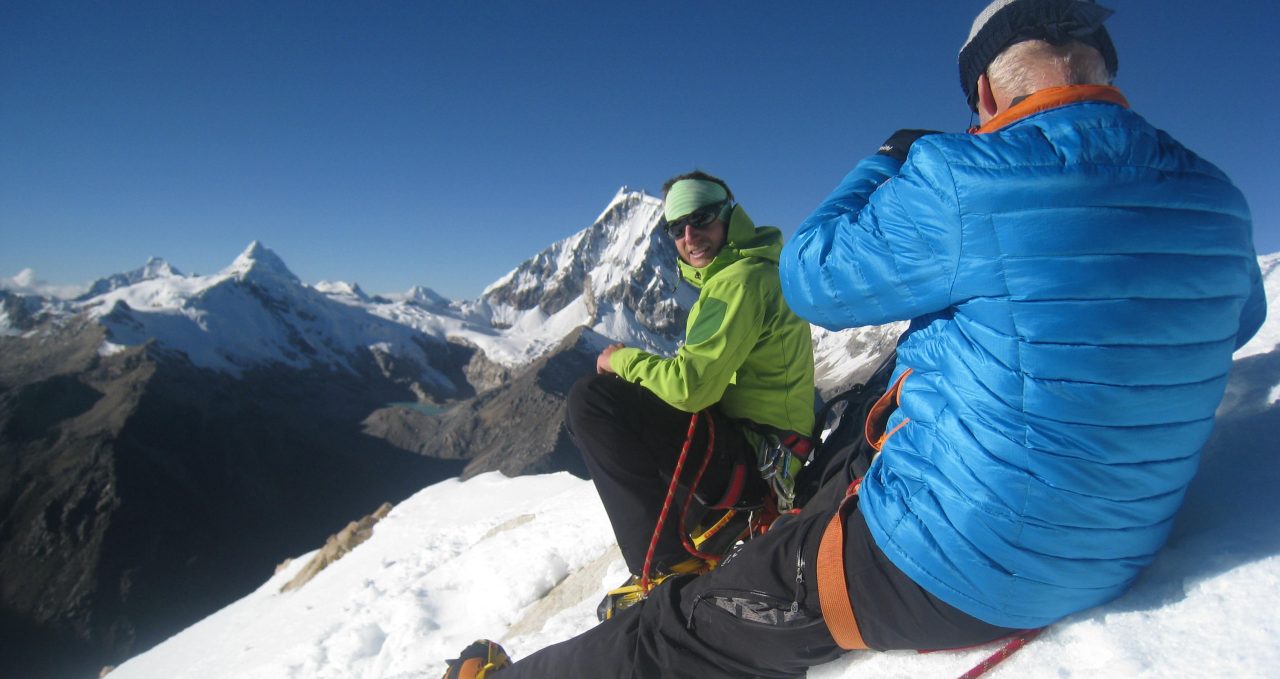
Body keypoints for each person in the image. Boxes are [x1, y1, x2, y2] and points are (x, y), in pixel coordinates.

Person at [442, 1, 1266, 677]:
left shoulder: (962, 177)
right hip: (1121, 545)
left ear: (984, 91)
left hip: (952, 564)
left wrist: (885, 162)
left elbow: (812, 277)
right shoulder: (1221, 200)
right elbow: (1241, 320)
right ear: (1104, 62)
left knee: (685, 626)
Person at [569, 170, 818, 614]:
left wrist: (619, 360)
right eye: (676, 227)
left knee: (595, 401)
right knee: (644, 402)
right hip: (774, 452)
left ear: (728, 216)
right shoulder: (750, 271)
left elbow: (691, 388)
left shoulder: (736, 282)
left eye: (701, 219)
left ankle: (667, 565)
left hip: (758, 461)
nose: (689, 236)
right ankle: (678, 544)